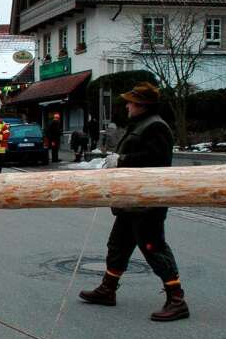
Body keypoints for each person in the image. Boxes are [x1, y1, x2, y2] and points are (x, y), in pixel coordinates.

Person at [78, 82, 189, 322]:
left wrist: (122, 160)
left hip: (148, 200)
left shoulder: (156, 127)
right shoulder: (140, 124)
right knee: (118, 244)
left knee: (153, 247)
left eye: (131, 102)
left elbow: (157, 161)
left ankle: (177, 299)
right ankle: (108, 289)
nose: (127, 105)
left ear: (142, 105)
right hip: (131, 199)